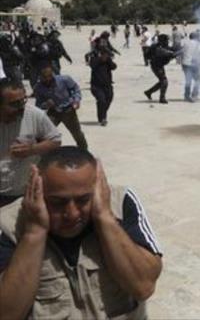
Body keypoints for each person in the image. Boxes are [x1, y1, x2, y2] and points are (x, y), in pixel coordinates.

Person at [0, 147, 163, 319]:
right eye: (57, 202)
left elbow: (144, 286)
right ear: (36, 188)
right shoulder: (8, 224)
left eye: (83, 200)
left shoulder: (121, 203)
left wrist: (105, 217)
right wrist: (34, 233)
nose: (72, 214)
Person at [0, 78, 62, 207]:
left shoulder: (35, 115)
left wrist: (32, 149)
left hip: (25, 193)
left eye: (23, 100)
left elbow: (55, 140)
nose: (21, 107)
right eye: (14, 104)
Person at [33, 63, 88, 151]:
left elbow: (75, 88)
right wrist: (46, 104)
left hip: (68, 110)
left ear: (53, 74)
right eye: (44, 77)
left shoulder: (64, 79)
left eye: (49, 76)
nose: (47, 79)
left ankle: (84, 151)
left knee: (77, 133)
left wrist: (76, 100)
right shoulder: (38, 88)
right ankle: (45, 154)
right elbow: (38, 105)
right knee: (44, 133)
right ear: (40, 77)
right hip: (53, 112)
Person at [143, 34, 178, 104]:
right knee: (164, 81)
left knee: (162, 81)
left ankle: (148, 92)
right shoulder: (157, 48)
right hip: (156, 66)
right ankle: (162, 98)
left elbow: (171, 49)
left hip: (159, 65)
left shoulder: (162, 46)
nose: (167, 41)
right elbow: (169, 54)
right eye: (166, 40)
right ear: (162, 41)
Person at [88, 48, 116, 126]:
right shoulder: (94, 60)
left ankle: (102, 113)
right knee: (101, 100)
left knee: (109, 99)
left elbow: (114, 67)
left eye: (107, 55)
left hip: (107, 85)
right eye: (104, 55)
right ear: (101, 54)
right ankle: (103, 118)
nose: (105, 57)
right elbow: (92, 65)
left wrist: (109, 60)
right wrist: (100, 60)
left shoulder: (108, 61)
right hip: (96, 86)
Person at [180, 31, 200, 102]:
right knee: (198, 80)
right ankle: (194, 95)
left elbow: (182, 53)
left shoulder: (185, 43)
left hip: (185, 64)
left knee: (188, 81)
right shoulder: (198, 44)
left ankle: (186, 96)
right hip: (194, 64)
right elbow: (199, 54)